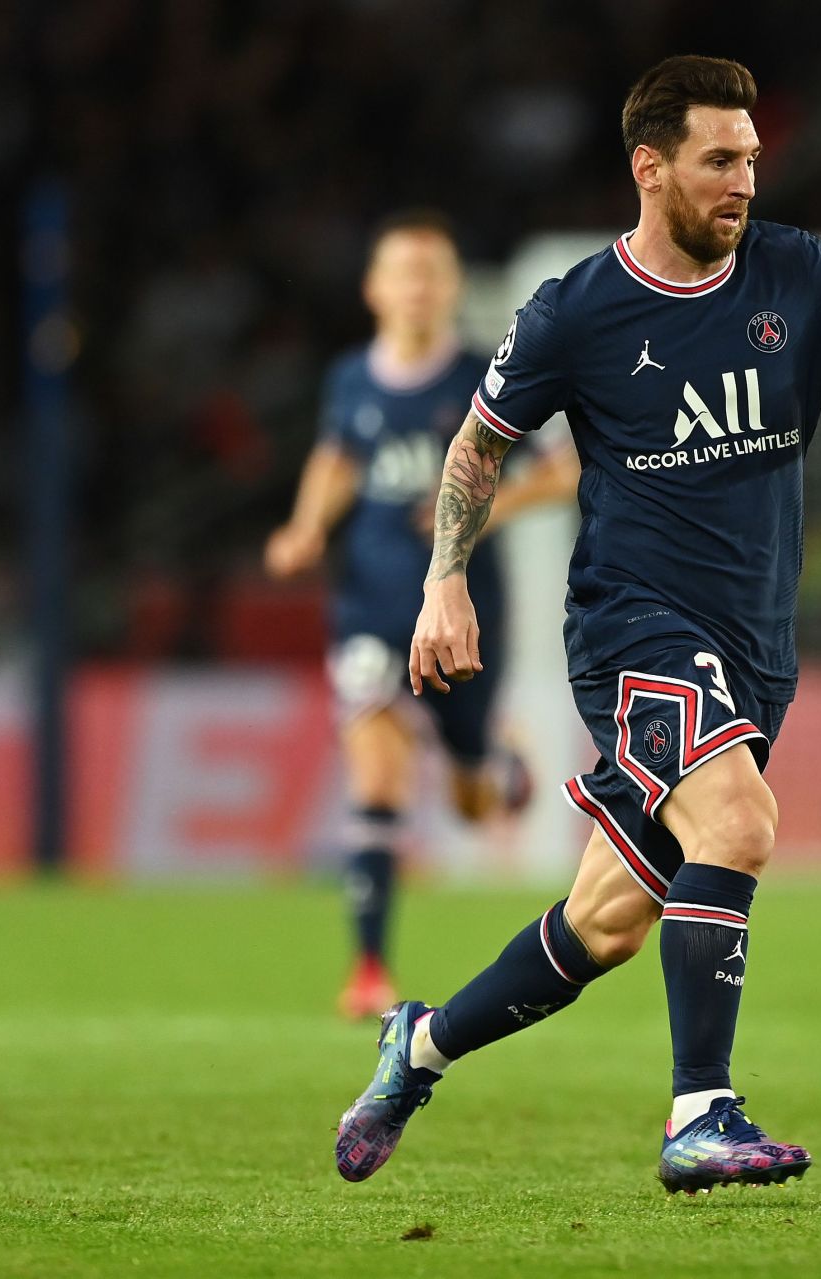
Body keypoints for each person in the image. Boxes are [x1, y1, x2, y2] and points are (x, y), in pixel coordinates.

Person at [332, 55, 821, 1193]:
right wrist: (443, 581)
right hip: (635, 632)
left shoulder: (796, 272)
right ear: (650, 166)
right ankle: (700, 1115)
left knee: (603, 926)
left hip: (757, 648)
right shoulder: (575, 308)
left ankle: (415, 1048)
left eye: (753, 159)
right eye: (721, 160)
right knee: (740, 818)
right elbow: (477, 444)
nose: (744, 181)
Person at [266, 210, 577, 1020]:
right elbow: (337, 458)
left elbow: (563, 472)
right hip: (371, 604)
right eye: (403, 271)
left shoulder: (484, 376)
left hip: (468, 608)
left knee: (472, 799)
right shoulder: (351, 380)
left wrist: (482, 511)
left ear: (451, 291)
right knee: (376, 771)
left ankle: (497, 767)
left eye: (433, 273)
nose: (418, 287)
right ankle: (368, 966)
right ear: (374, 289)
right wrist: (306, 526)